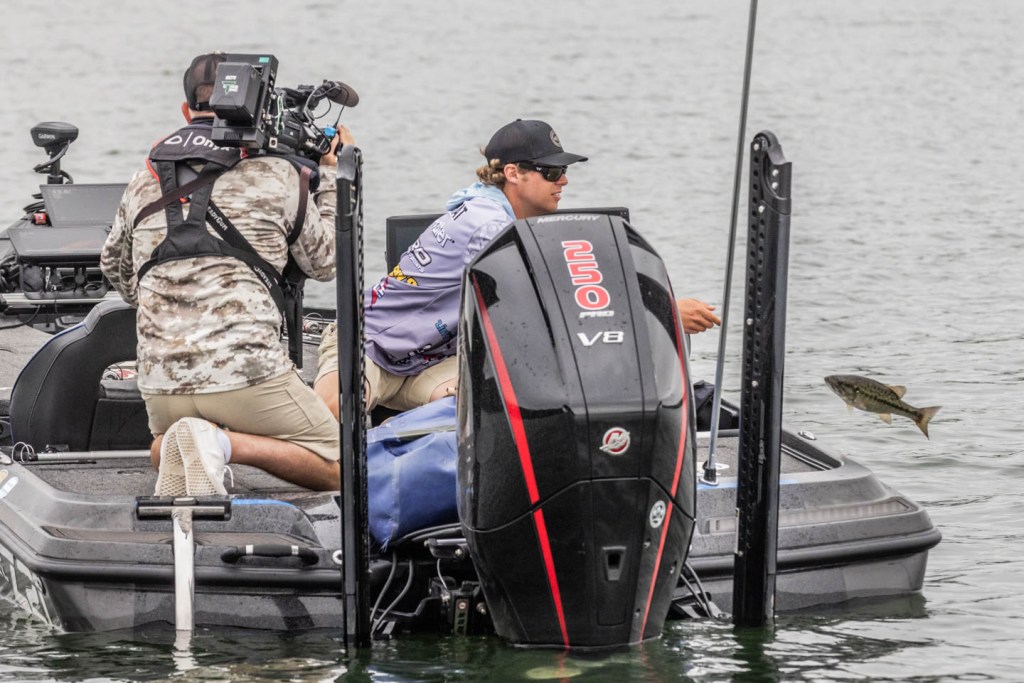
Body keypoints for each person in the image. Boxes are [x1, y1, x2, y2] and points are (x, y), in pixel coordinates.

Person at [314, 119, 720, 418]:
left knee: (485, 410)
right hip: (369, 344)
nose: (563, 182)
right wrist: (661, 309)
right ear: (512, 173)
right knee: (330, 415)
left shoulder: (506, 218)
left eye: (564, 171)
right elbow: (555, 305)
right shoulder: (488, 224)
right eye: (551, 172)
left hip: (430, 361)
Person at [100, 53, 352, 496]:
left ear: (186, 111)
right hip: (249, 378)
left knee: (165, 445)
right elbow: (326, 262)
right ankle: (223, 443)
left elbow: (119, 275)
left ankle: (191, 437)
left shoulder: (142, 181)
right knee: (345, 464)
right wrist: (331, 174)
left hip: (162, 387)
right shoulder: (278, 175)